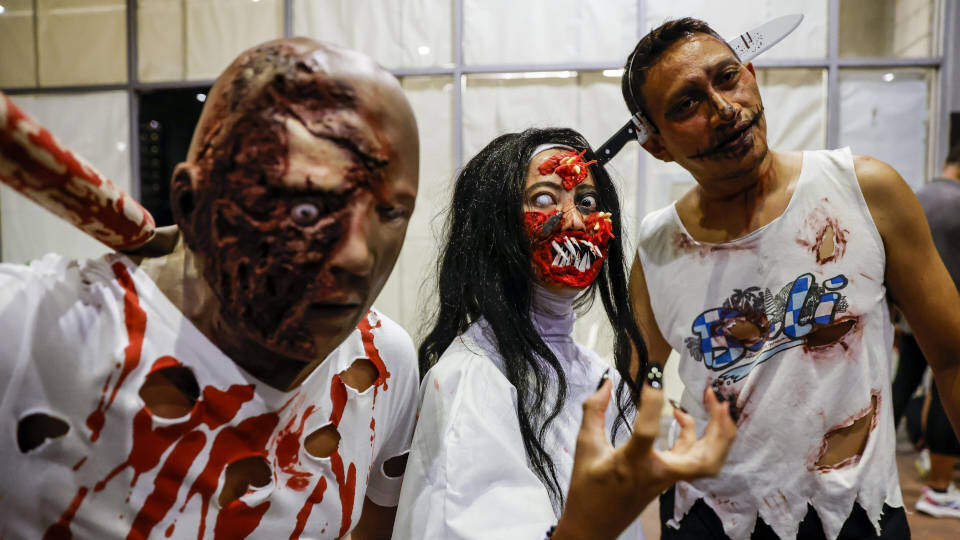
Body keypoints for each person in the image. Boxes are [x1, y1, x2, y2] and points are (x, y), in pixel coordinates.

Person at [0, 38, 421, 539]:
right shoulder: (32, 333)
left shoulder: (381, 361)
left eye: (390, 212)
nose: (358, 255)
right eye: (306, 208)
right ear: (191, 204)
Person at [622, 17, 960, 540]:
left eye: (728, 77)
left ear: (752, 74)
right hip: (709, 518)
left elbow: (953, 357)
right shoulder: (658, 243)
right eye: (687, 104)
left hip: (853, 514)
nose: (723, 109)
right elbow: (632, 381)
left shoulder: (864, 191)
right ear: (657, 144)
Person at [394, 127, 737, 539]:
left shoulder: (599, 378)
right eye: (543, 199)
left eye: (587, 202)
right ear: (495, 225)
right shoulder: (470, 378)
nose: (575, 220)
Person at [890, 143, 960, 519]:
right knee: (948, 388)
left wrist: (896, 315)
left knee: (901, 386)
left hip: (911, 317)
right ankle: (938, 489)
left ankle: (868, 463)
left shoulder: (915, 196)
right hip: (949, 316)